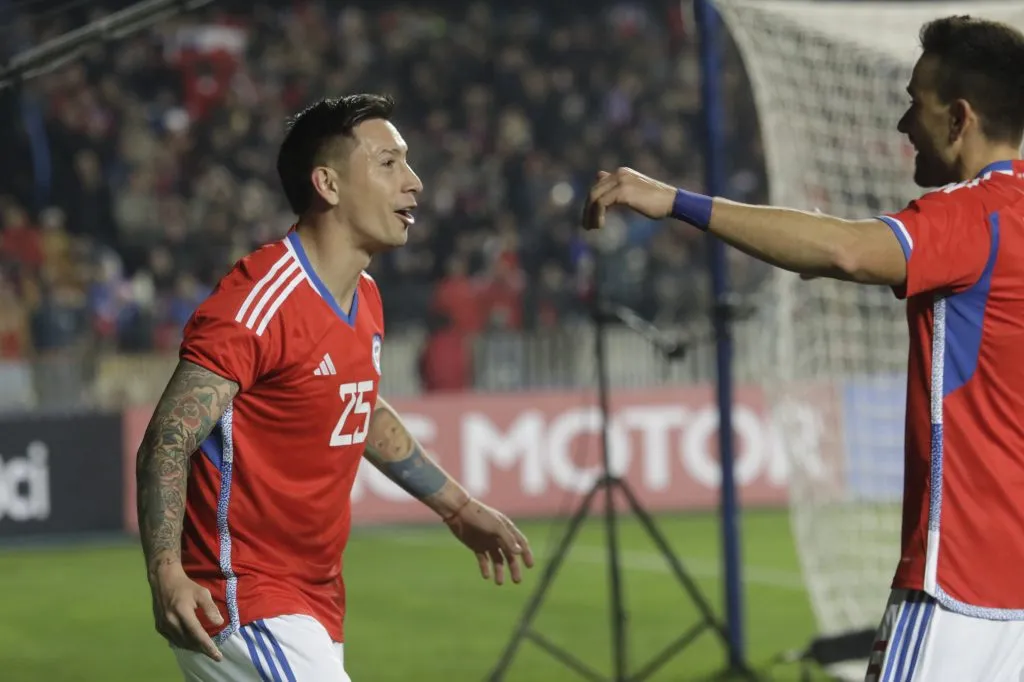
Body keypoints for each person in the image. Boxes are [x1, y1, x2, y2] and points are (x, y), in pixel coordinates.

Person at [583, 15, 1024, 682]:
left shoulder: (973, 217)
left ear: (959, 118)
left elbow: (843, 250)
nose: (905, 125)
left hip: (961, 587)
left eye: (915, 103)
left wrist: (672, 199)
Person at [135, 94, 535, 682]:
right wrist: (167, 572)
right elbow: (169, 436)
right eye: (389, 163)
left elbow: (360, 406)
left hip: (314, 599)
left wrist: (457, 507)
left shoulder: (363, 297)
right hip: (242, 595)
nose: (415, 183)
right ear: (328, 184)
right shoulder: (259, 301)